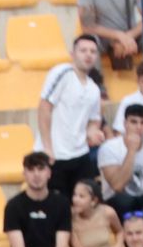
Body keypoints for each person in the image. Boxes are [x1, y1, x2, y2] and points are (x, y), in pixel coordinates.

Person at [39, 35, 105, 192]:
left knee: (86, 204)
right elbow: (44, 107)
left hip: (80, 154)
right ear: (72, 54)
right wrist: (48, 148)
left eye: (93, 51)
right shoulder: (62, 73)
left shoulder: (93, 89)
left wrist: (93, 132)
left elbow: (94, 120)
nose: (88, 55)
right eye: (83, 50)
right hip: (56, 155)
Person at [99, 103, 143, 217]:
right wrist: (131, 150)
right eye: (134, 122)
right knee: (124, 200)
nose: (139, 127)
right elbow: (117, 186)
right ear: (125, 124)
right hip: (118, 201)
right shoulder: (109, 148)